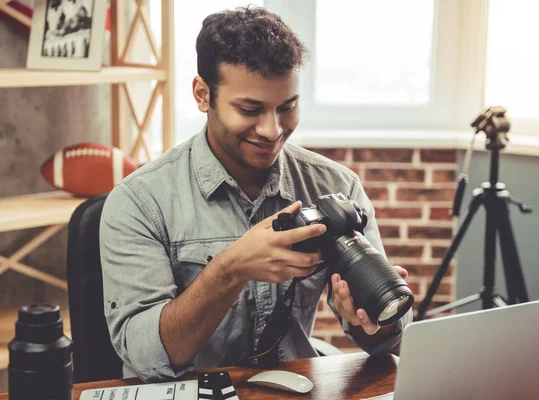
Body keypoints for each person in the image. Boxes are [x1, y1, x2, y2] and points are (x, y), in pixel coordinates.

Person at [100, 6, 412, 382]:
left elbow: (389, 341)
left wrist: (367, 323)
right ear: (203, 95)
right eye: (250, 109)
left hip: (295, 388)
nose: (271, 130)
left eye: (287, 107)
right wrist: (230, 269)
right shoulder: (140, 201)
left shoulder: (335, 187)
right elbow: (146, 357)